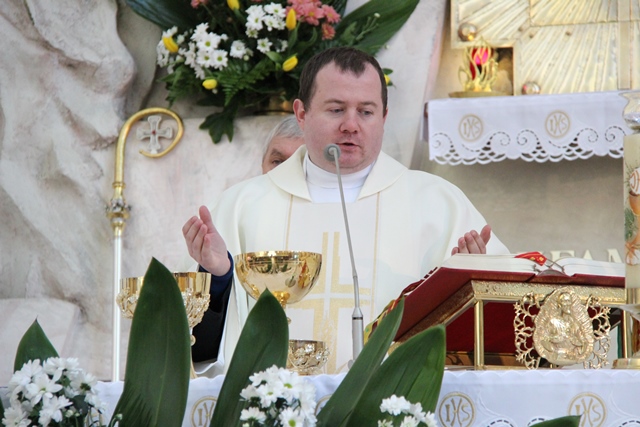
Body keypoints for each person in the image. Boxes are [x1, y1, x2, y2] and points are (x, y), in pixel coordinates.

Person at [184, 47, 509, 375]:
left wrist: (467, 284)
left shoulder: (439, 204)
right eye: (336, 109)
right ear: (302, 114)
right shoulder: (242, 207)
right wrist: (218, 277)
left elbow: (497, 327)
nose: (351, 125)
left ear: (384, 117)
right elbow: (196, 344)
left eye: (366, 112)